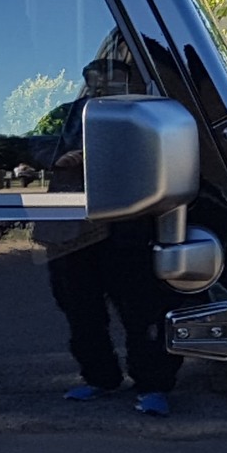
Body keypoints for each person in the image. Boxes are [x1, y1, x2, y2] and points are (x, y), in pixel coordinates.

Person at [37, 46, 178, 415]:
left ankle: (153, 385)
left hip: (129, 226)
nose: (101, 87)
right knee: (80, 309)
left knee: (142, 311)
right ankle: (99, 377)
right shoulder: (68, 115)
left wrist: (91, 157)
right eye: (94, 80)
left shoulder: (145, 112)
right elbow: (41, 147)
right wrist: (53, 160)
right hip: (72, 228)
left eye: (112, 79)